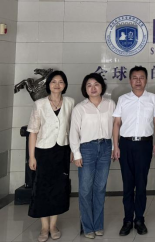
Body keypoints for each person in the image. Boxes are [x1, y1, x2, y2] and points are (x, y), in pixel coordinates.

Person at [112, 66, 155, 237]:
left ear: (146, 80)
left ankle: (139, 219)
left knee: (141, 184)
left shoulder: (153, 98)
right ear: (130, 80)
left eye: (141, 77)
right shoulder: (123, 99)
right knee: (127, 184)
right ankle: (127, 220)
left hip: (144, 145)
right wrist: (116, 146)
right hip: (126, 145)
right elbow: (116, 123)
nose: (138, 81)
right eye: (135, 77)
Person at [27, 71, 74, 243]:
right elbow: (33, 131)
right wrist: (32, 157)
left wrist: (72, 150)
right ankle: (44, 227)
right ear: (48, 84)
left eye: (61, 82)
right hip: (43, 151)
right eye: (53, 81)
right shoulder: (39, 104)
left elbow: (72, 128)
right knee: (42, 188)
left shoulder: (70, 102)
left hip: (62, 150)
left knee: (58, 188)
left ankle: (53, 226)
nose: (57, 85)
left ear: (65, 85)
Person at [70, 73, 116, 239]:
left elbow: (115, 127)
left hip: (105, 147)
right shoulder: (80, 108)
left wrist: (113, 147)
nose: (93, 88)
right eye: (89, 85)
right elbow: (74, 132)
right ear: (85, 89)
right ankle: (87, 226)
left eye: (96, 84)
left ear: (102, 86)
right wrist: (76, 154)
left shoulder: (110, 104)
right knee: (85, 189)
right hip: (87, 149)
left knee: (100, 188)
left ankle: (98, 225)